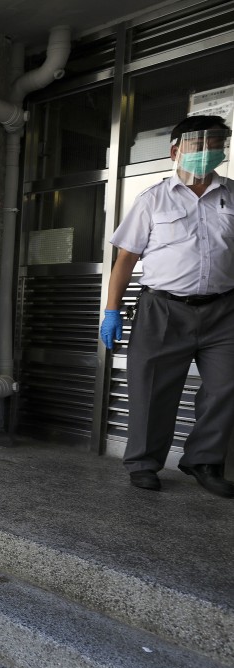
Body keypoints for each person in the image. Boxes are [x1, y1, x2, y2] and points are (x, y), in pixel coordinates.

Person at [100, 115, 234, 498]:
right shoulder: (153, 199)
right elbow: (125, 260)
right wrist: (111, 311)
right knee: (152, 388)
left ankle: (203, 460)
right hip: (163, 308)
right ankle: (143, 462)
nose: (207, 151)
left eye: (215, 144)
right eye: (198, 144)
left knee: (226, 386)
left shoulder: (233, 194)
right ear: (175, 150)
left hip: (224, 310)